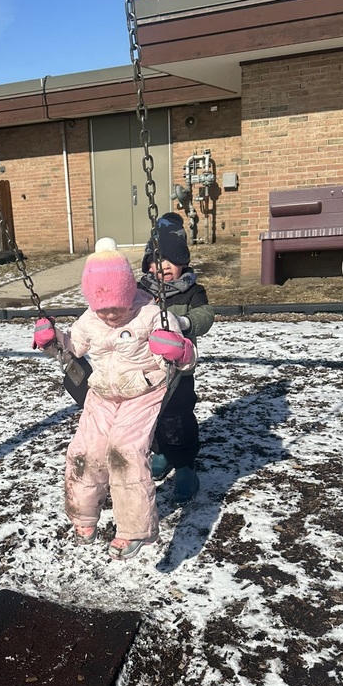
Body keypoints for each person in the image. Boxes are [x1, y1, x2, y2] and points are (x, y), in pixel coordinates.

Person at [33, 238, 196, 560]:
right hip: (102, 395)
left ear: (128, 294)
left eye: (116, 308)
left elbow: (187, 359)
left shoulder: (151, 314)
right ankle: (83, 517)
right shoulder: (89, 320)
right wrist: (52, 340)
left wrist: (178, 351)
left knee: (125, 452)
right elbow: (71, 348)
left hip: (143, 393)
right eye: (101, 309)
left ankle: (133, 529)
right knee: (83, 452)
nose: (108, 315)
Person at [138, 213, 215, 503]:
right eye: (158, 260)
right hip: (148, 370)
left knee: (179, 417)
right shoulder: (142, 292)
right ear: (149, 263)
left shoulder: (192, 290)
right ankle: (161, 453)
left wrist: (184, 322)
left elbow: (205, 315)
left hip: (180, 371)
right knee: (152, 416)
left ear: (183, 261)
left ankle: (185, 466)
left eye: (172, 259)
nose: (164, 266)